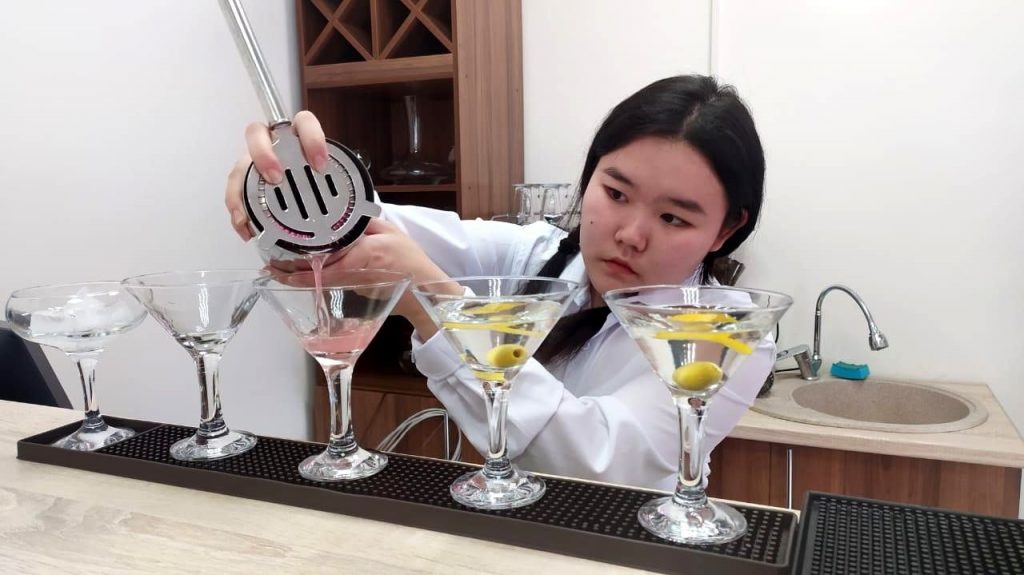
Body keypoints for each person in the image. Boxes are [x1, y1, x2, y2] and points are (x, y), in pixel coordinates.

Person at [225, 75, 771, 491]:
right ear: (589, 177)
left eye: (673, 218)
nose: (631, 235)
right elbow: (369, 223)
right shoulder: (536, 257)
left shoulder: (729, 331)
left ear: (726, 229)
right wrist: (287, 184)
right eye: (616, 193)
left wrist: (431, 301)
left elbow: (600, 464)